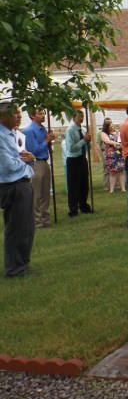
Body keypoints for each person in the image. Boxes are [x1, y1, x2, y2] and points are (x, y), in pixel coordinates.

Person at [0, 102, 36, 277]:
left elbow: (23, 157)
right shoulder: (1, 136)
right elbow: (8, 165)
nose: (19, 116)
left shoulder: (13, 134)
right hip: (12, 186)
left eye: (19, 113)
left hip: (22, 183)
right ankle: (14, 269)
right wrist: (27, 162)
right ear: (2, 117)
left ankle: (22, 264)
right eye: (14, 113)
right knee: (16, 229)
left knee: (27, 228)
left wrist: (30, 159)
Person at [23, 107, 55, 228]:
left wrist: (49, 140)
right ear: (32, 115)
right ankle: (36, 220)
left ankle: (45, 218)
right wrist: (46, 140)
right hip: (36, 163)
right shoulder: (29, 131)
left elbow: (45, 146)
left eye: (43, 113)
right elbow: (34, 150)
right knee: (36, 193)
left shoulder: (43, 129)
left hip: (45, 161)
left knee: (45, 192)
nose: (43, 116)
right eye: (40, 113)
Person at [63, 109, 92, 218]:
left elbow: (86, 145)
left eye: (83, 116)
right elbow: (71, 148)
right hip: (73, 160)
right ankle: (73, 210)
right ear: (74, 117)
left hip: (82, 158)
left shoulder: (84, 129)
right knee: (74, 185)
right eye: (79, 116)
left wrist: (88, 142)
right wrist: (84, 140)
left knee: (84, 184)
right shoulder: (70, 130)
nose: (82, 119)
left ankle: (84, 206)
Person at [100, 119, 126, 193]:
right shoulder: (103, 133)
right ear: (106, 127)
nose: (111, 127)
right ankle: (111, 189)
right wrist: (117, 143)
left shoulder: (118, 132)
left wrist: (120, 145)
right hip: (110, 154)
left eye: (112, 125)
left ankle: (123, 189)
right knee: (112, 172)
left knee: (121, 171)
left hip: (119, 153)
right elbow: (107, 141)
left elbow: (122, 140)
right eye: (109, 126)